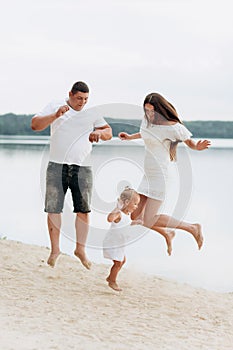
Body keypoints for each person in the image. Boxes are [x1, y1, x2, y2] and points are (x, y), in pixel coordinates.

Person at [31, 81, 112, 269]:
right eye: (78, 99)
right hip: (56, 166)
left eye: (85, 99)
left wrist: (99, 133)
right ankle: (55, 250)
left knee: (83, 210)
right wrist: (55, 115)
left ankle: (80, 249)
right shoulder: (55, 104)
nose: (82, 102)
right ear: (70, 94)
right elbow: (35, 125)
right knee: (53, 208)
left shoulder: (92, 111)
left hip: (82, 167)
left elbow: (108, 131)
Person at [118, 92, 211, 255]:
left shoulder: (173, 127)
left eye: (153, 110)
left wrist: (197, 147)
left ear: (161, 109)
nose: (149, 114)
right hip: (147, 176)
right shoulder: (147, 121)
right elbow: (146, 134)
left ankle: (192, 227)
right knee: (135, 216)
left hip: (161, 177)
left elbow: (189, 142)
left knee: (148, 219)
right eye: (146, 110)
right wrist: (129, 137)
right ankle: (167, 232)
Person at [103, 187, 141, 291]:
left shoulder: (127, 215)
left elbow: (127, 224)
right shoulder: (119, 213)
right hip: (112, 243)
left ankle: (110, 277)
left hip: (119, 244)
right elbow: (110, 219)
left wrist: (135, 222)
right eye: (135, 204)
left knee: (122, 260)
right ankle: (112, 281)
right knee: (118, 262)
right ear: (127, 202)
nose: (136, 207)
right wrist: (117, 208)